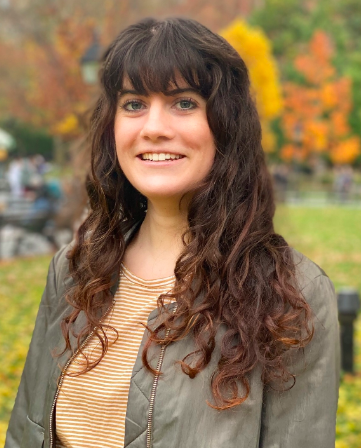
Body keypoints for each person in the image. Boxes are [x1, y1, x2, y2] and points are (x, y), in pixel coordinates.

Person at [5, 17, 340, 448]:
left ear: (227, 123)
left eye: (183, 103)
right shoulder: (75, 270)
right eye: (133, 103)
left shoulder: (291, 294)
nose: (153, 127)